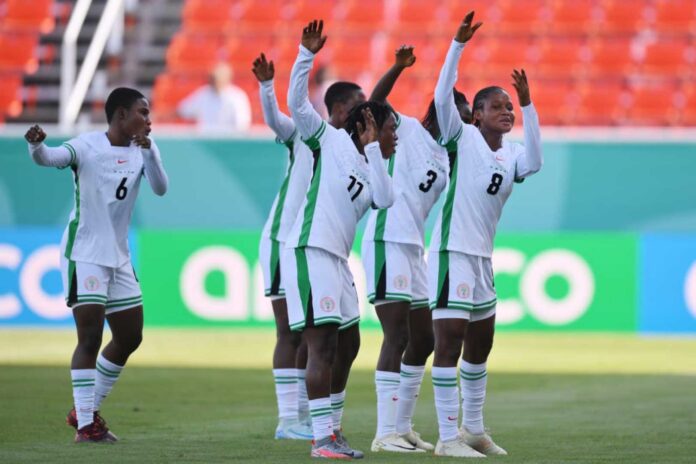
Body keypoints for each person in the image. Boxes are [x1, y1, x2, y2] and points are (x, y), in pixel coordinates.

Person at [24, 87, 169, 443]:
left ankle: (83, 409)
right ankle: (87, 424)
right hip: (84, 252)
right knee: (89, 336)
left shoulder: (145, 149)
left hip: (118, 255)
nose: (148, 120)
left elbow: (161, 188)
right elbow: (50, 158)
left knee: (130, 337)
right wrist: (36, 146)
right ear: (121, 115)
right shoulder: (86, 145)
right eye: (142, 112)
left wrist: (151, 154)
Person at [428, 11, 542, 458]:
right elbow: (441, 99)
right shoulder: (464, 139)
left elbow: (534, 161)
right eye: (497, 106)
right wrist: (456, 45)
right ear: (475, 115)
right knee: (450, 340)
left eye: (508, 107)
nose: (506, 112)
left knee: (481, 344)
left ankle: (474, 429)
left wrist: (529, 103)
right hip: (452, 251)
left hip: (482, 258)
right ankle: (447, 436)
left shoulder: (511, 155)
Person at [283, 20, 396, 460]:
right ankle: (322, 438)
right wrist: (305, 55)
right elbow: (296, 104)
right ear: (370, 122)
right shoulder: (327, 140)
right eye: (392, 131)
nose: (396, 138)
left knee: (349, 343)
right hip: (312, 250)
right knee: (323, 345)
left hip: (337, 260)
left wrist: (373, 149)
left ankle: (331, 428)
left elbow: (385, 200)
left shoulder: (371, 163)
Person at [361, 44, 473, 454]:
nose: (464, 123)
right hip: (388, 238)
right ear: (442, 111)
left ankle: (403, 426)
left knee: (423, 339)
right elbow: (373, 104)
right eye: (460, 114)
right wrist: (397, 67)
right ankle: (383, 432)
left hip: (415, 249)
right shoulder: (407, 130)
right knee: (396, 335)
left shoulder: (449, 157)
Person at [253, 52, 313, 440]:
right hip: (281, 241)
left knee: (313, 332)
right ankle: (286, 420)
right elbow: (276, 120)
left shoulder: (348, 148)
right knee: (289, 332)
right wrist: (266, 87)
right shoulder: (304, 135)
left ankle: (304, 416)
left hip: (310, 248)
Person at [177, 62, 252, 132]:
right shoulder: (203, 93)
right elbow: (183, 109)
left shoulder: (237, 96)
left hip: (228, 141)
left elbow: (242, 125)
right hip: (206, 141)